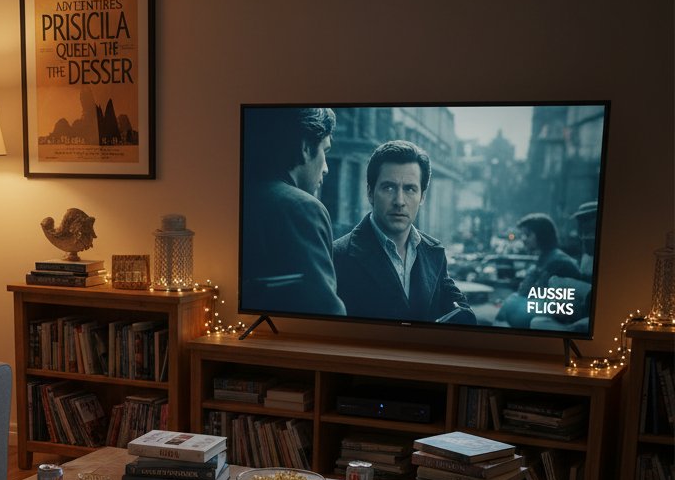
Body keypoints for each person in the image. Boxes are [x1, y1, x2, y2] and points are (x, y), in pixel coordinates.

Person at [332, 140, 477, 324]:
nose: (399, 200)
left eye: (409, 189)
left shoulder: (434, 252)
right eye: (389, 187)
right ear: (370, 193)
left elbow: (462, 310)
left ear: (422, 197)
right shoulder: (337, 256)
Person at [241, 107, 346, 317]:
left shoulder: (245, 194)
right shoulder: (303, 207)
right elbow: (326, 310)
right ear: (306, 148)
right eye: (324, 151)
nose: (325, 168)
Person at [495, 212, 582, 329]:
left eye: (528, 235)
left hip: (552, 320)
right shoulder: (546, 258)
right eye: (523, 235)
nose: (523, 239)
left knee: (510, 305)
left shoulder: (558, 262)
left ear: (542, 235)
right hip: (541, 314)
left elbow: (534, 297)